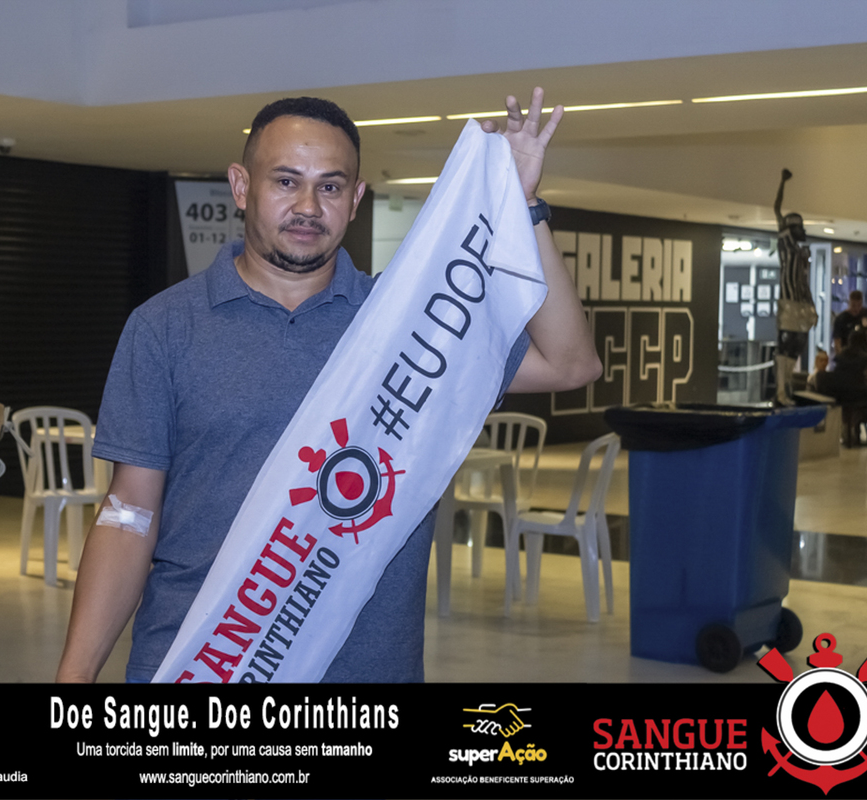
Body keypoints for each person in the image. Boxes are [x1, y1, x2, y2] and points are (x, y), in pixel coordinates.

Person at [56, 90, 601, 683]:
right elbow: (130, 513)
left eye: (331, 186)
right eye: (286, 181)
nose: (308, 206)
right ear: (241, 186)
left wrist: (523, 207)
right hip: (202, 665)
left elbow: (569, 364)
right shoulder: (163, 327)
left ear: (356, 199)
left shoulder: (410, 327)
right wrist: (74, 677)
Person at [772, 169, 818, 405]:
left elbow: (803, 283)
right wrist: (783, 182)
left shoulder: (799, 252)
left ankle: (786, 387)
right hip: (789, 302)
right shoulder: (786, 242)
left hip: (800, 302)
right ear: (792, 229)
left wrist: (811, 306)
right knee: (787, 344)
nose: (803, 231)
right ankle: (781, 391)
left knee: (797, 344)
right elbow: (777, 208)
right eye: (800, 227)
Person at [817, 330, 867, 447]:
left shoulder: (841, 356)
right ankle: (855, 429)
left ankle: (845, 430)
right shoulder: (865, 358)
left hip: (838, 393)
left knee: (846, 404)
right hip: (857, 394)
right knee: (864, 399)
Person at [833, 290, 867, 363]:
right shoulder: (841, 319)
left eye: (859, 305)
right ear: (849, 303)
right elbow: (837, 341)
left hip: (863, 353)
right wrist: (840, 359)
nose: (856, 309)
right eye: (853, 305)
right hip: (847, 355)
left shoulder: (865, 313)